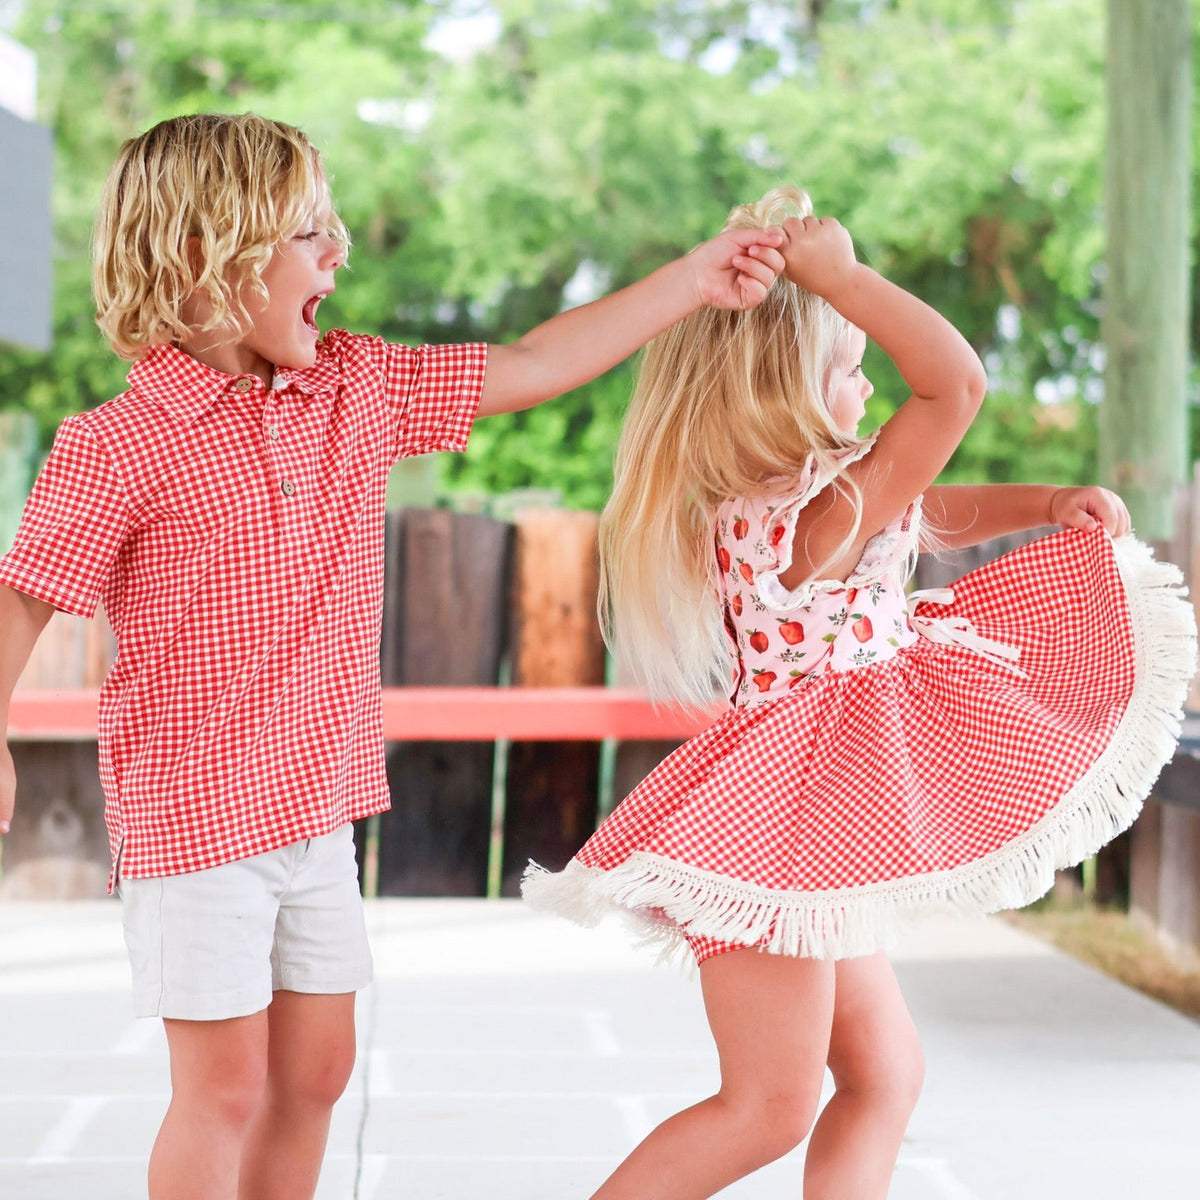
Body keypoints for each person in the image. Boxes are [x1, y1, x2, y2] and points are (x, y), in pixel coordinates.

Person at [0, 113, 787, 1200]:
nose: (340, 254)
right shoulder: (116, 443)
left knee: (317, 1072)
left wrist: (695, 279)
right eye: (310, 234)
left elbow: (534, 360)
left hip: (313, 807)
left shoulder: (354, 389)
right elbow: (26, 595)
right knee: (221, 1090)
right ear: (204, 253)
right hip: (194, 820)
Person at [523, 185, 1197, 1200]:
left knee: (885, 1076)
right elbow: (953, 389)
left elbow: (924, 506)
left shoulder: (807, 500)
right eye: (849, 369)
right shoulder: (828, 504)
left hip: (804, 829)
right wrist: (844, 281)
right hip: (777, 838)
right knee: (766, 1108)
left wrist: (1047, 503)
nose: (872, 386)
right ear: (781, 387)